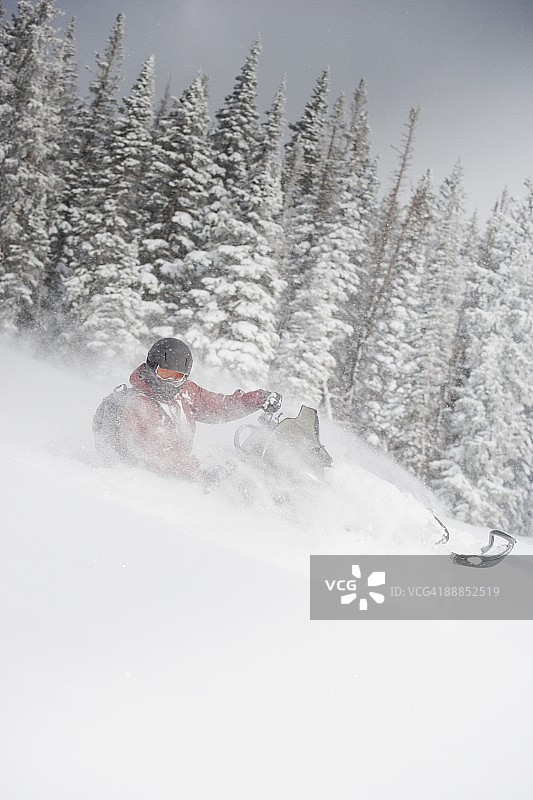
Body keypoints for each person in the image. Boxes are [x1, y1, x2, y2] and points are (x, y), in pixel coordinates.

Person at [93, 337, 282, 480]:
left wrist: (258, 399)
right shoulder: (138, 405)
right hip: (146, 481)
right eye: (165, 374)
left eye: (178, 377)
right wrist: (201, 471)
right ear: (151, 367)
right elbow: (160, 455)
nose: (170, 382)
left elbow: (221, 407)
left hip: (184, 473)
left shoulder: (184, 392)